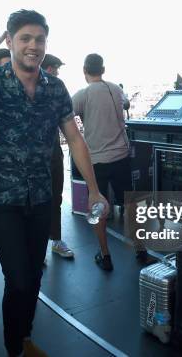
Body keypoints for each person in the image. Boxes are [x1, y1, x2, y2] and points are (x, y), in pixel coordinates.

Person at [0, 10, 109, 357]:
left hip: (42, 195)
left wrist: (93, 188)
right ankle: (15, 348)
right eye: (25, 38)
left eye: (39, 39)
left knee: (34, 276)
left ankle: (24, 337)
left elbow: (74, 138)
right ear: (10, 42)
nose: (33, 46)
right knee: (19, 279)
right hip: (0, 197)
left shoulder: (55, 88)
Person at [72, 53, 147, 271]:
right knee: (130, 204)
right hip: (121, 157)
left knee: (98, 207)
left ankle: (105, 255)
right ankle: (140, 249)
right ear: (103, 70)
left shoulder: (82, 94)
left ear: (85, 71)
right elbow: (126, 103)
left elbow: (64, 114)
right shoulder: (115, 88)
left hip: (96, 161)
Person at [41, 54, 74, 258]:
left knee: (55, 199)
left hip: (53, 155)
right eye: (55, 68)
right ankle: (35, 248)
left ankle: (55, 240)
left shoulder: (56, 89)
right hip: (28, 162)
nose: (57, 72)